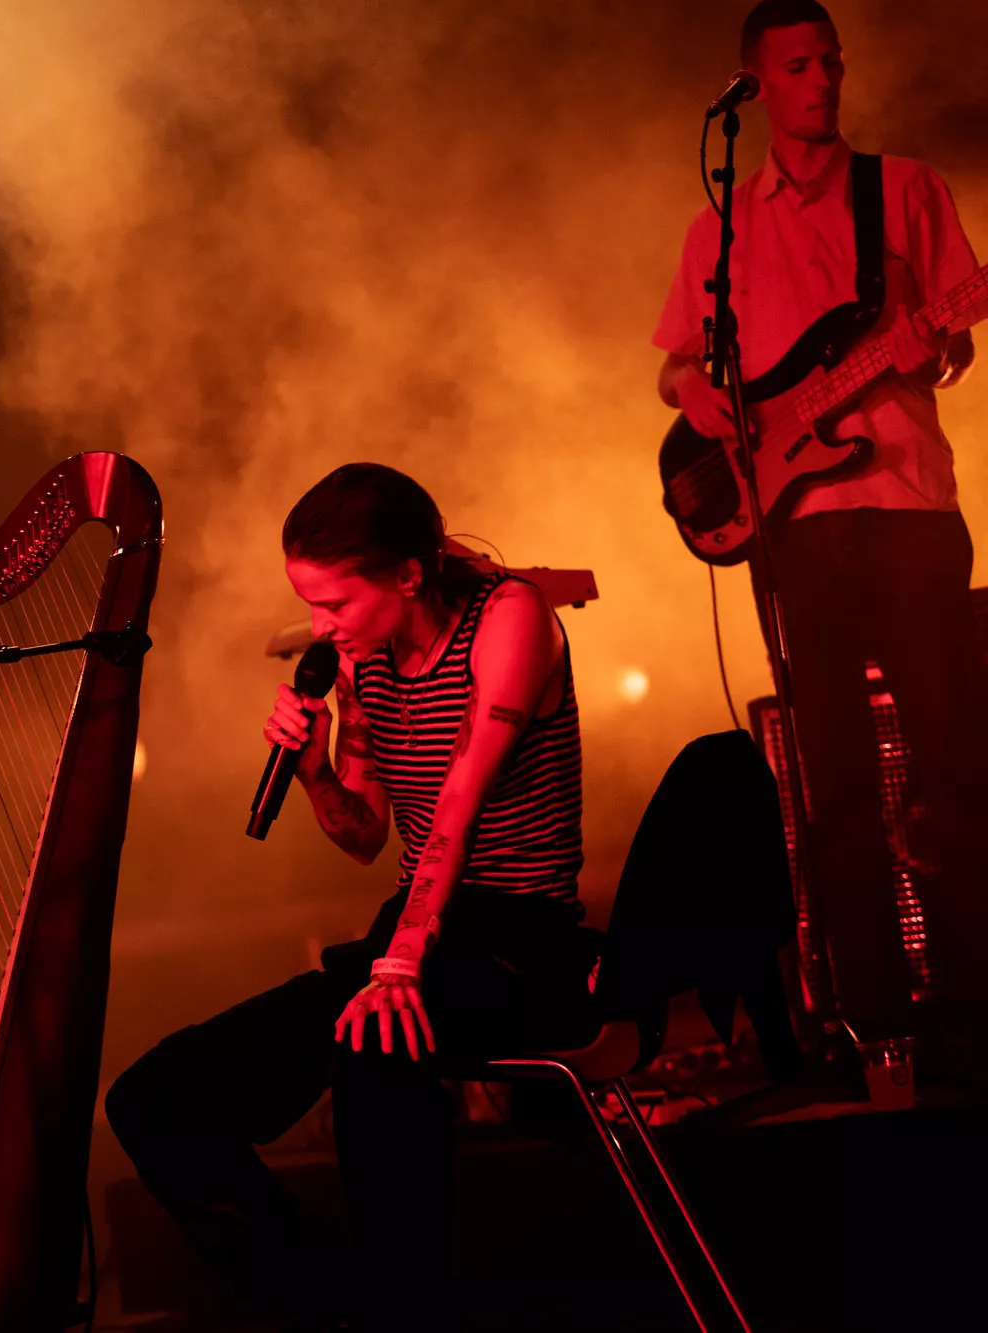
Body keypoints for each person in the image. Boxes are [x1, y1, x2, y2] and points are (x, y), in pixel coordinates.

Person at [106, 464, 595, 1327]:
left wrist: (400, 964)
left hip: (521, 936)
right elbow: (366, 835)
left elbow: (459, 802)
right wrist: (313, 770)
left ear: (407, 575)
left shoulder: (510, 618)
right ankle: (333, 1306)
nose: (320, 627)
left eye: (335, 603)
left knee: (377, 1048)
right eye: (311, 605)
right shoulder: (364, 665)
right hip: (410, 934)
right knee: (153, 1098)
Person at [653, 0, 987, 1049]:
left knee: (950, 760)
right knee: (833, 780)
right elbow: (676, 363)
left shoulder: (905, 188)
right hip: (793, 526)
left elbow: (955, 334)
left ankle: (973, 1006)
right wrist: (691, 391)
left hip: (906, 506)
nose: (822, 81)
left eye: (830, 62)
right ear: (755, 84)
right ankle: (872, 1020)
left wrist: (933, 348)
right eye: (798, 66)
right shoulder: (719, 226)